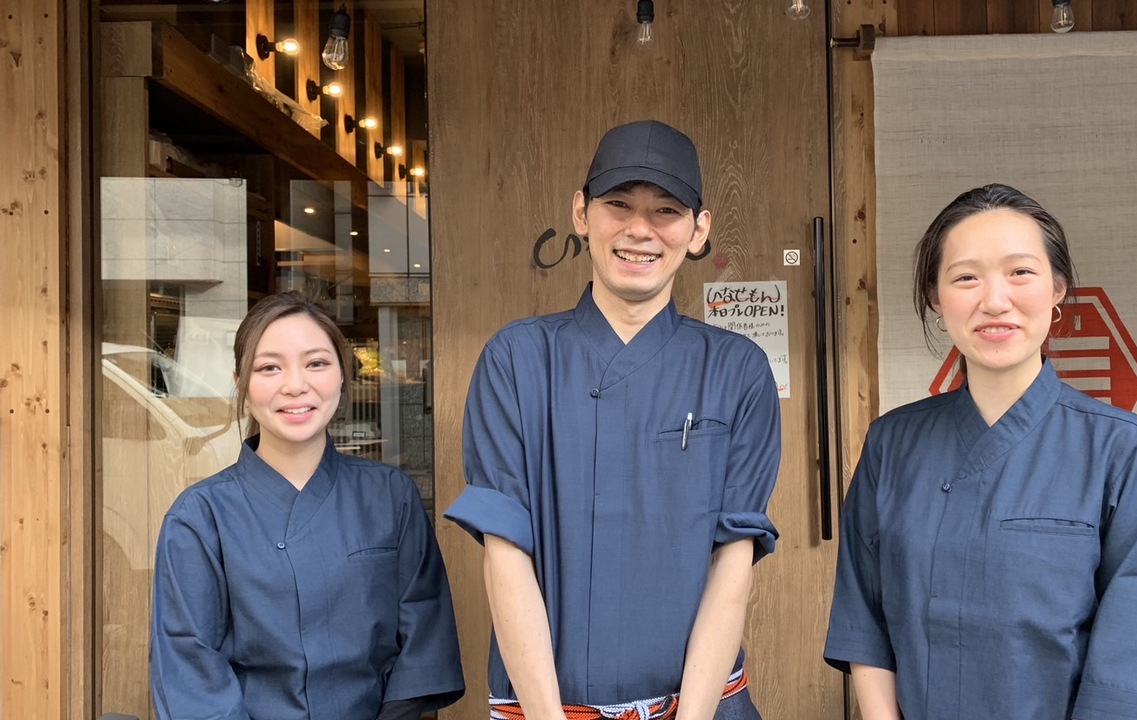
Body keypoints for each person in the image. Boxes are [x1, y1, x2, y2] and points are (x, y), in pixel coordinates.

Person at [444, 119, 782, 720]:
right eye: (618, 204)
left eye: (667, 211)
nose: (639, 231)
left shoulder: (737, 370)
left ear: (698, 230)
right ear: (581, 213)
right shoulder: (517, 359)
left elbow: (734, 561)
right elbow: (504, 551)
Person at [824, 184, 1137, 719]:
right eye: (966, 277)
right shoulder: (891, 444)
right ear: (935, 296)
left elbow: (1136, 659)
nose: (994, 300)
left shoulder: (1127, 451)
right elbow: (864, 618)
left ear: (1058, 288)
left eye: (1020, 272)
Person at [150, 291, 465, 720]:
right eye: (268, 367)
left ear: (341, 376)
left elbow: (424, 642)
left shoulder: (390, 496)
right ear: (241, 384)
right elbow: (190, 667)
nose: (295, 384)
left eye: (316, 363)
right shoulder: (199, 518)